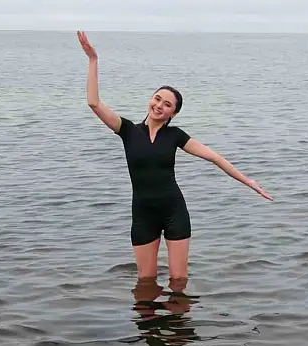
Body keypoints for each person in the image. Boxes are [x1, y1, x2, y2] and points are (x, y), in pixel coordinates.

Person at [77, 30, 273, 280]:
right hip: (143, 215)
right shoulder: (127, 130)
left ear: (173, 113)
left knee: (179, 282)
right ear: (150, 99)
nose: (159, 106)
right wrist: (93, 60)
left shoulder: (175, 136)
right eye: (157, 99)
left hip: (174, 213)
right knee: (145, 284)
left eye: (167, 104)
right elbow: (94, 102)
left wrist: (248, 181)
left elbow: (214, 157)